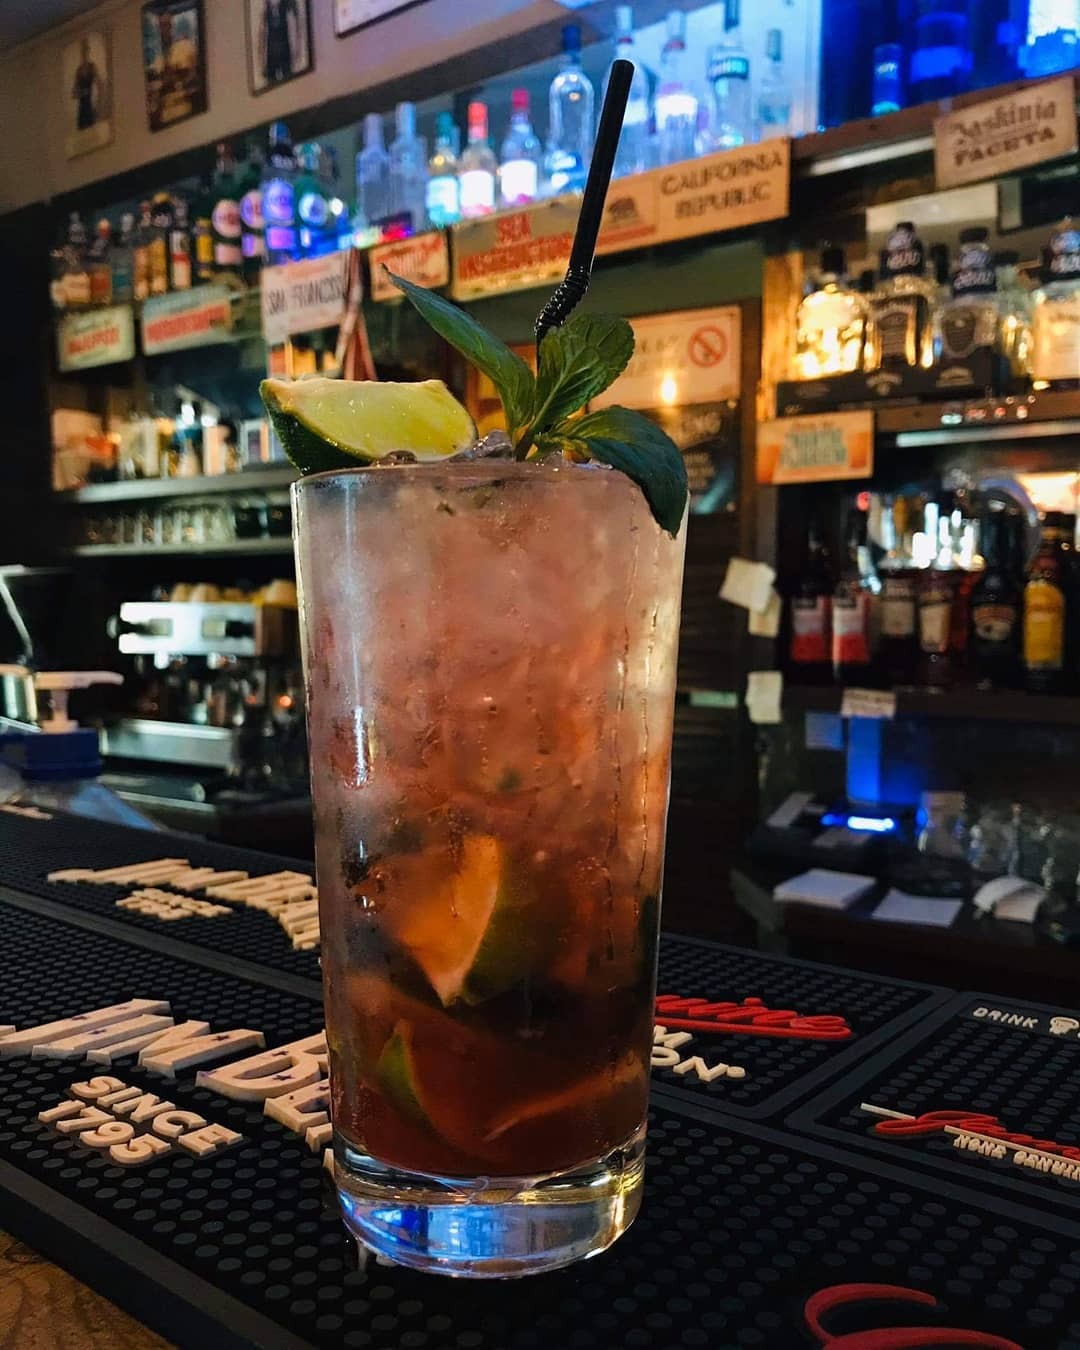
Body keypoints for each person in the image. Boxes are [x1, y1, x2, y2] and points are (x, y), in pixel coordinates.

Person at [259, 0, 301, 86]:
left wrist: (297, 49)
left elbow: (296, 25)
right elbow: (262, 34)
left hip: (285, 51)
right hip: (271, 54)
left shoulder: (288, 5)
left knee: (289, 81)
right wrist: (262, 61)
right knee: (271, 83)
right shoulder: (267, 8)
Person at [72, 37, 101, 131]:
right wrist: (82, 92)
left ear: (88, 51)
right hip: (81, 108)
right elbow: (74, 94)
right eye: (82, 51)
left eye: (86, 50)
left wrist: (98, 105)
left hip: (90, 106)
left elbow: (100, 86)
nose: (84, 53)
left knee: (92, 131)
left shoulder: (92, 67)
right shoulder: (79, 70)